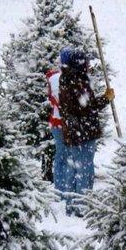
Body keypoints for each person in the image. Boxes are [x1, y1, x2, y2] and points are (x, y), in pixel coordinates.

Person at [58, 48, 115, 216]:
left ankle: (71, 204)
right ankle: (83, 207)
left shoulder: (66, 78)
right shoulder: (77, 81)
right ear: (79, 65)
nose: (89, 66)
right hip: (83, 132)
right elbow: (86, 107)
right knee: (84, 168)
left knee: (73, 167)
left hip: (72, 131)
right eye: (86, 63)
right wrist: (106, 99)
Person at [46, 62, 69, 192]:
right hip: (61, 122)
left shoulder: (53, 78)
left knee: (61, 155)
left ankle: (60, 186)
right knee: (64, 155)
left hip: (56, 122)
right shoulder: (58, 80)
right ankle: (62, 188)